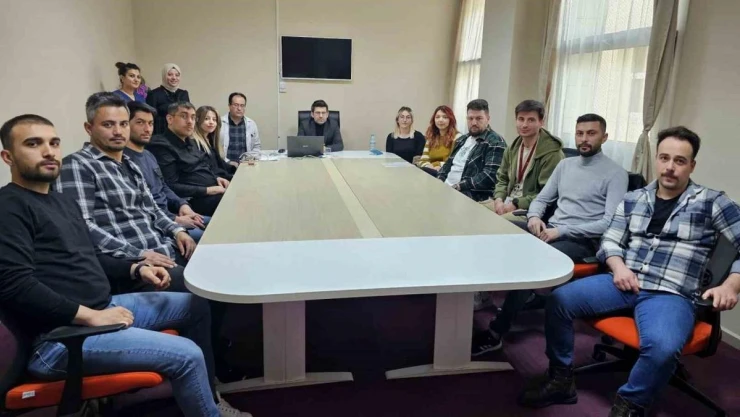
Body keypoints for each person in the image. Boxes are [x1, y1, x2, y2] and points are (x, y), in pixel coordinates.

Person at [0, 114, 251, 417]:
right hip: (61, 339)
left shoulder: (60, 201)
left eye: (53, 143)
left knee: (196, 305)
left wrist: (136, 268)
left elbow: (91, 254)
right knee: (188, 354)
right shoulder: (9, 206)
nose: (48, 152)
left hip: (100, 306)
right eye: (33, 144)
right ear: (7, 156)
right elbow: (15, 285)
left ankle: (205, 395)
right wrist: (92, 317)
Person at [518, 126, 740, 417]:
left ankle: (630, 405)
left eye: (680, 161)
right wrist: (618, 266)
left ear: (692, 165)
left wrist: (732, 284)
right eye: (664, 158)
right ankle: (561, 380)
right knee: (559, 300)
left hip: (670, 294)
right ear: (657, 159)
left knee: (662, 347)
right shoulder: (635, 199)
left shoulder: (711, 202)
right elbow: (610, 240)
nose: (670, 167)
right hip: (623, 281)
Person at [472, 113, 627, 356]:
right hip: (550, 230)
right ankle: (486, 295)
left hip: (583, 241)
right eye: (580, 133)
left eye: (591, 133)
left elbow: (608, 223)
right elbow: (542, 198)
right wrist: (534, 217)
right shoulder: (566, 165)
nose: (584, 139)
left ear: (604, 137)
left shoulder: (616, 173)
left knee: (532, 260)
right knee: (498, 231)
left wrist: (560, 230)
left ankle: (496, 331)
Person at [55, 92, 196, 270]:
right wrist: (139, 254)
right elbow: (81, 227)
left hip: (165, 249)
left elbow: (153, 209)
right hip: (137, 265)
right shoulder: (77, 165)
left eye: (123, 124)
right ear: (89, 128)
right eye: (108, 125)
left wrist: (178, 231)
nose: (118, 131)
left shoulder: (130, 164)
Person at [123, 101, 210, 243]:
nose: (147, 129)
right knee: (209, 237)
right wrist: (175, 219)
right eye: (140, 122)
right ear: (126, 125)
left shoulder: (148, 155)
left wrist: (182, 205)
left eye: (150, 123)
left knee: (219, 224)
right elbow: (142, 207)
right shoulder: (125, 161)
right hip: (158, 223)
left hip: (172, 213)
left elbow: (163, 186)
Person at [481, 100, 564, 222]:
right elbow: (502, 178)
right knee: (473, 211)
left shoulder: (552, 154)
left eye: (531, 120)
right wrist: (498, 199)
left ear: (541, 122)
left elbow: (547, 193)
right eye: (521, 119)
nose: (524, 125)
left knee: (494, 222)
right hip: (507, 201)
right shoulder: (512, 148)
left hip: (530, 209)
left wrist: (516, 203)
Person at [149, 101, 230, 217]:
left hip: (213, 189)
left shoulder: (191, 142)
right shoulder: (161, 145)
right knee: (234, 202)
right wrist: (208, 190)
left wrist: (216, 178)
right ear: (170, 119)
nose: (190, 121)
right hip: (192, 200)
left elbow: (203, 166)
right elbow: (170, 185)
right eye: (184, 116)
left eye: (193, 117)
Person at [437, 99, 506, 202]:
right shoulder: (462, 139)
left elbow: (490, 175)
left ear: (488, 119)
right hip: (447, 189)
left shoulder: (495, 142)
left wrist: (459, 186)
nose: (474, 122)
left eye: (479, 118)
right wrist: (439, 181)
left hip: (470, 195)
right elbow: (447, 165)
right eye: (470, 118)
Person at [146, 63, 191, 136]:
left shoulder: (183, 94)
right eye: (170, 75)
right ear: (164, 76)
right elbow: (150, 118)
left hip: (180, 134)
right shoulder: (154, 94)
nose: (174, 78)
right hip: (161, 134)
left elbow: (188, 115)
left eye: (177, 75)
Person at [195, 105, 236, 181]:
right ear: (197, 120)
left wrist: (236, 168)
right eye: (206, 119)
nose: (211, 122)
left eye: (214, 120)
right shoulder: (195, 142)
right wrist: (231, 177)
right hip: (212, 181)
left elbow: (220, 164)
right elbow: (211, 169)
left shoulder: (210, 139)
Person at [220, 92, 260, 167]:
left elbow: (256, 146)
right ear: (229, 106)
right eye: (236, 105)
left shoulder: (251, 124)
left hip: (245, 165)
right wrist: (228, 162)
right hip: (224, 165)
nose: (239, 108)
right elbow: (215, 147)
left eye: (242, 105)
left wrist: (251, 158)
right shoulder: (219, 123)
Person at [417, 105, 460, 174]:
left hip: (447, 173)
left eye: (445, 117)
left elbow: (454, 161)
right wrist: (429, 166)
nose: (440, 120)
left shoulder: (457, 137)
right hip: (430, 171)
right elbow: (423, 160)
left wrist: (438, 165)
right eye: (437, 117)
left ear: (451, 120)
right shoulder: (431, 137)